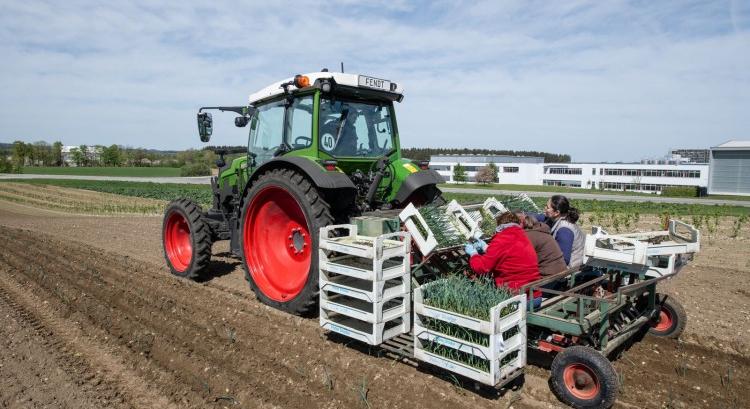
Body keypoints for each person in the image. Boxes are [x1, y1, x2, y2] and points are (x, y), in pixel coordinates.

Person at [464, 212, 542, 304]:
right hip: (535, 295)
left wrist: (473, 254)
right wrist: (487, 248)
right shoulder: (522, 235)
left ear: (500, 226)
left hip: (517, 297)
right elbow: (507, 254)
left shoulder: (501, 239)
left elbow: (482, 267)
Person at [538, 195, 586, 270]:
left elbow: (563, 260)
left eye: (547, 207)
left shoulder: (564, 231)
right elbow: (541, 217)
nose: (545, 209)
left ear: (557, 212)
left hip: (570, 270)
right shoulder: (561, 218)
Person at [515, 210, 568, 276]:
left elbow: (521, 260)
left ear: (519, 223)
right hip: (560, 270)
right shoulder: (540, 229)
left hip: (549, 275)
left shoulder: (528, 236)